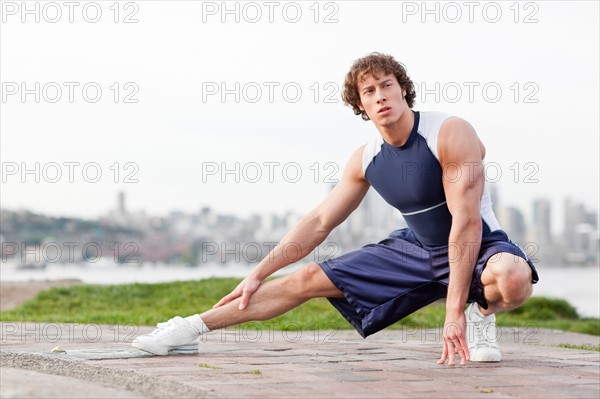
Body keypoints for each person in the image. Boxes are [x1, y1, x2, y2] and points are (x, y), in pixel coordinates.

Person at [132, 52, 539, 366]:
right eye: (369, 92)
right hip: (417, 250)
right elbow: (320, 221)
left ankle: (483, 311)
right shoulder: (366, 159)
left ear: (403, 89)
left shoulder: (450, 132)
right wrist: (258, 272)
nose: (380, 96)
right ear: (360, 105)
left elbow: (466, 223)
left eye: (386, 85)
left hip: (479, 245)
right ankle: (190, 328)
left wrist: (454, 314)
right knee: (306, 278)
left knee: (513, 278)